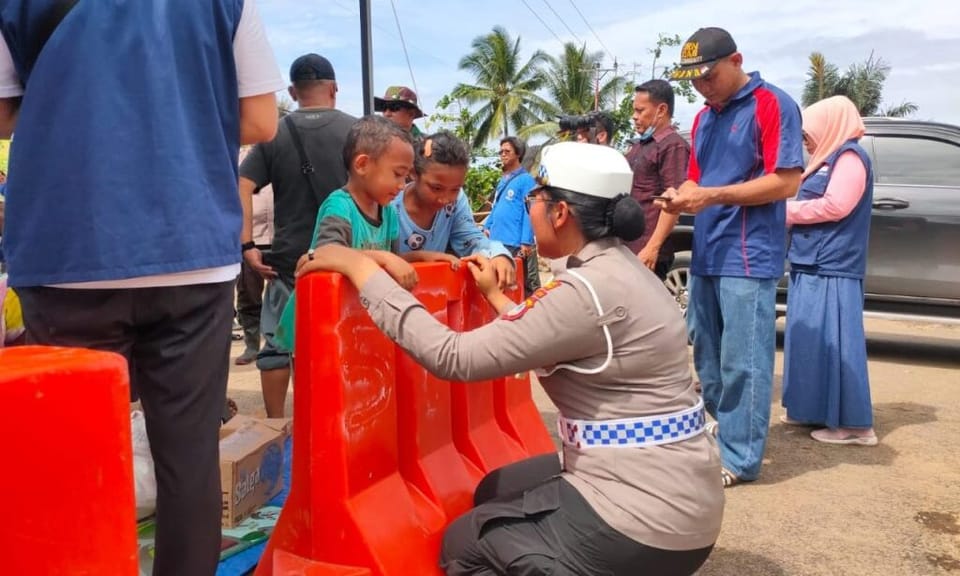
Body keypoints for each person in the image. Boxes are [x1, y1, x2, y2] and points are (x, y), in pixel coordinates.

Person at [302, 142, 723, 576]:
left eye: (535, 199)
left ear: (560, 213)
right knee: (495, 489)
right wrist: (494, 296)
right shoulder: (622, 271)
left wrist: (363, 271)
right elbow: (553, 331)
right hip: (678, 498)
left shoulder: (587, 292)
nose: (531, 209)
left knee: (466, 545)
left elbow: (453, 357)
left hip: (645, 525)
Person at [0, 2, 283, 575]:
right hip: (191, 247)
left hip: (68, 247)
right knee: (188, 461)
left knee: (71, 464)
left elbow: (3, 114)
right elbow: (260, 120)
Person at [659, 27, 803, 487]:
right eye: (694, 81)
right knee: (706, 356)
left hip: (748, 251)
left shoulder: (772, 104)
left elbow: (787, 182)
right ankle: (724, 431)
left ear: (736, 61)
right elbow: (696, 182)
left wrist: (713, 195)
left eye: (709, 76)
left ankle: (740, 458)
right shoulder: (704, 119)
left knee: (745, 360)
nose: (702, 87)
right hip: (708, 249)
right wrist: (678, 198)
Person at [240, 53, 356, 418]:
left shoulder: (274, 135)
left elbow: (241, 185)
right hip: (345, 258)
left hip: (288, 262)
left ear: (293, 91)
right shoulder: (356, 131)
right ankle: (329, 419)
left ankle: (276, 424)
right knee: (338, 345)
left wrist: (247, 247)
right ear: (334, 88)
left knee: (276, 348)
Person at [281, 115, 457, 350]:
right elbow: (326, 253)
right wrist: (385, 258)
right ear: (362, 165)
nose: (402, 185)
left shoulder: (389, 212)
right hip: (319, 322)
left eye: (406, 177)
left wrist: (421, 256)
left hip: (353, 319)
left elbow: (391, 260)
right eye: (397, 174)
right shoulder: (339, 206)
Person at [781, 96, 877, 445]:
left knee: (838, 343)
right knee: (810, 340)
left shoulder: (849, 157)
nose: (805, 140)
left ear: (829, 126)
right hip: (812, 260)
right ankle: (813, 410)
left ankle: (854, 425)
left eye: (809, 133)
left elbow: (837, 205)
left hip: (834, 264)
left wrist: (787, 212)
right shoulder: (824, 160)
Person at [394, 130, 516, 290]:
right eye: (436, 188)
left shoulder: (456, 203)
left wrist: (498, 254)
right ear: (414, 174)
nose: (445, 199)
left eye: (455, 189)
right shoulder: (389, 204)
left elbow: (471, 239)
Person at [625, 79, 689, 280]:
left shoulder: (672, 146)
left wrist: (652, 248)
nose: (634, 117)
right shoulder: (639, 146)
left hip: (647, 254)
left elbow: (673, 201)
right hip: (628, 248)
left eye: (640, 110)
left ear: (661, 110)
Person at [484, 136, 540, 295]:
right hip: (496, 242)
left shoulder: (526, 180)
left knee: (519, 285)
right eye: (501, 151)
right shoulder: (502, 181)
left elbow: (529, 211)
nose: (502, 154)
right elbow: (496, 208)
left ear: (518, 154)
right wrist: (487, 227)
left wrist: (526, 241)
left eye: (507, 151)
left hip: (514, 242)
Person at [235, 146, 275, 365]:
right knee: (248, 296)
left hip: (279, 238)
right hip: (251, 239)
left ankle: (279, 345)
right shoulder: (239, 155)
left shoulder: (276, 150)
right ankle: (251, 345)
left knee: (280, 299)